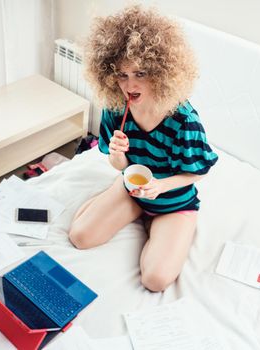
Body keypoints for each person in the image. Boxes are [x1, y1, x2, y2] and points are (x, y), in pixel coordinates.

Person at [69, 5, 218, 292]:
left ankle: (158, 225)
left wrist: (160, 188)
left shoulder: (183, 121)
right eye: (122, 75)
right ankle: (124, 204)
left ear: (162, 73)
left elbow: (196, 173)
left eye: (140, 73)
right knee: (80, 237)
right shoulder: (116, 110)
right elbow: (121, 167)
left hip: (172, 203)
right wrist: (116, 154)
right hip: (132, 190)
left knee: (155, 280)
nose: (129, 85)